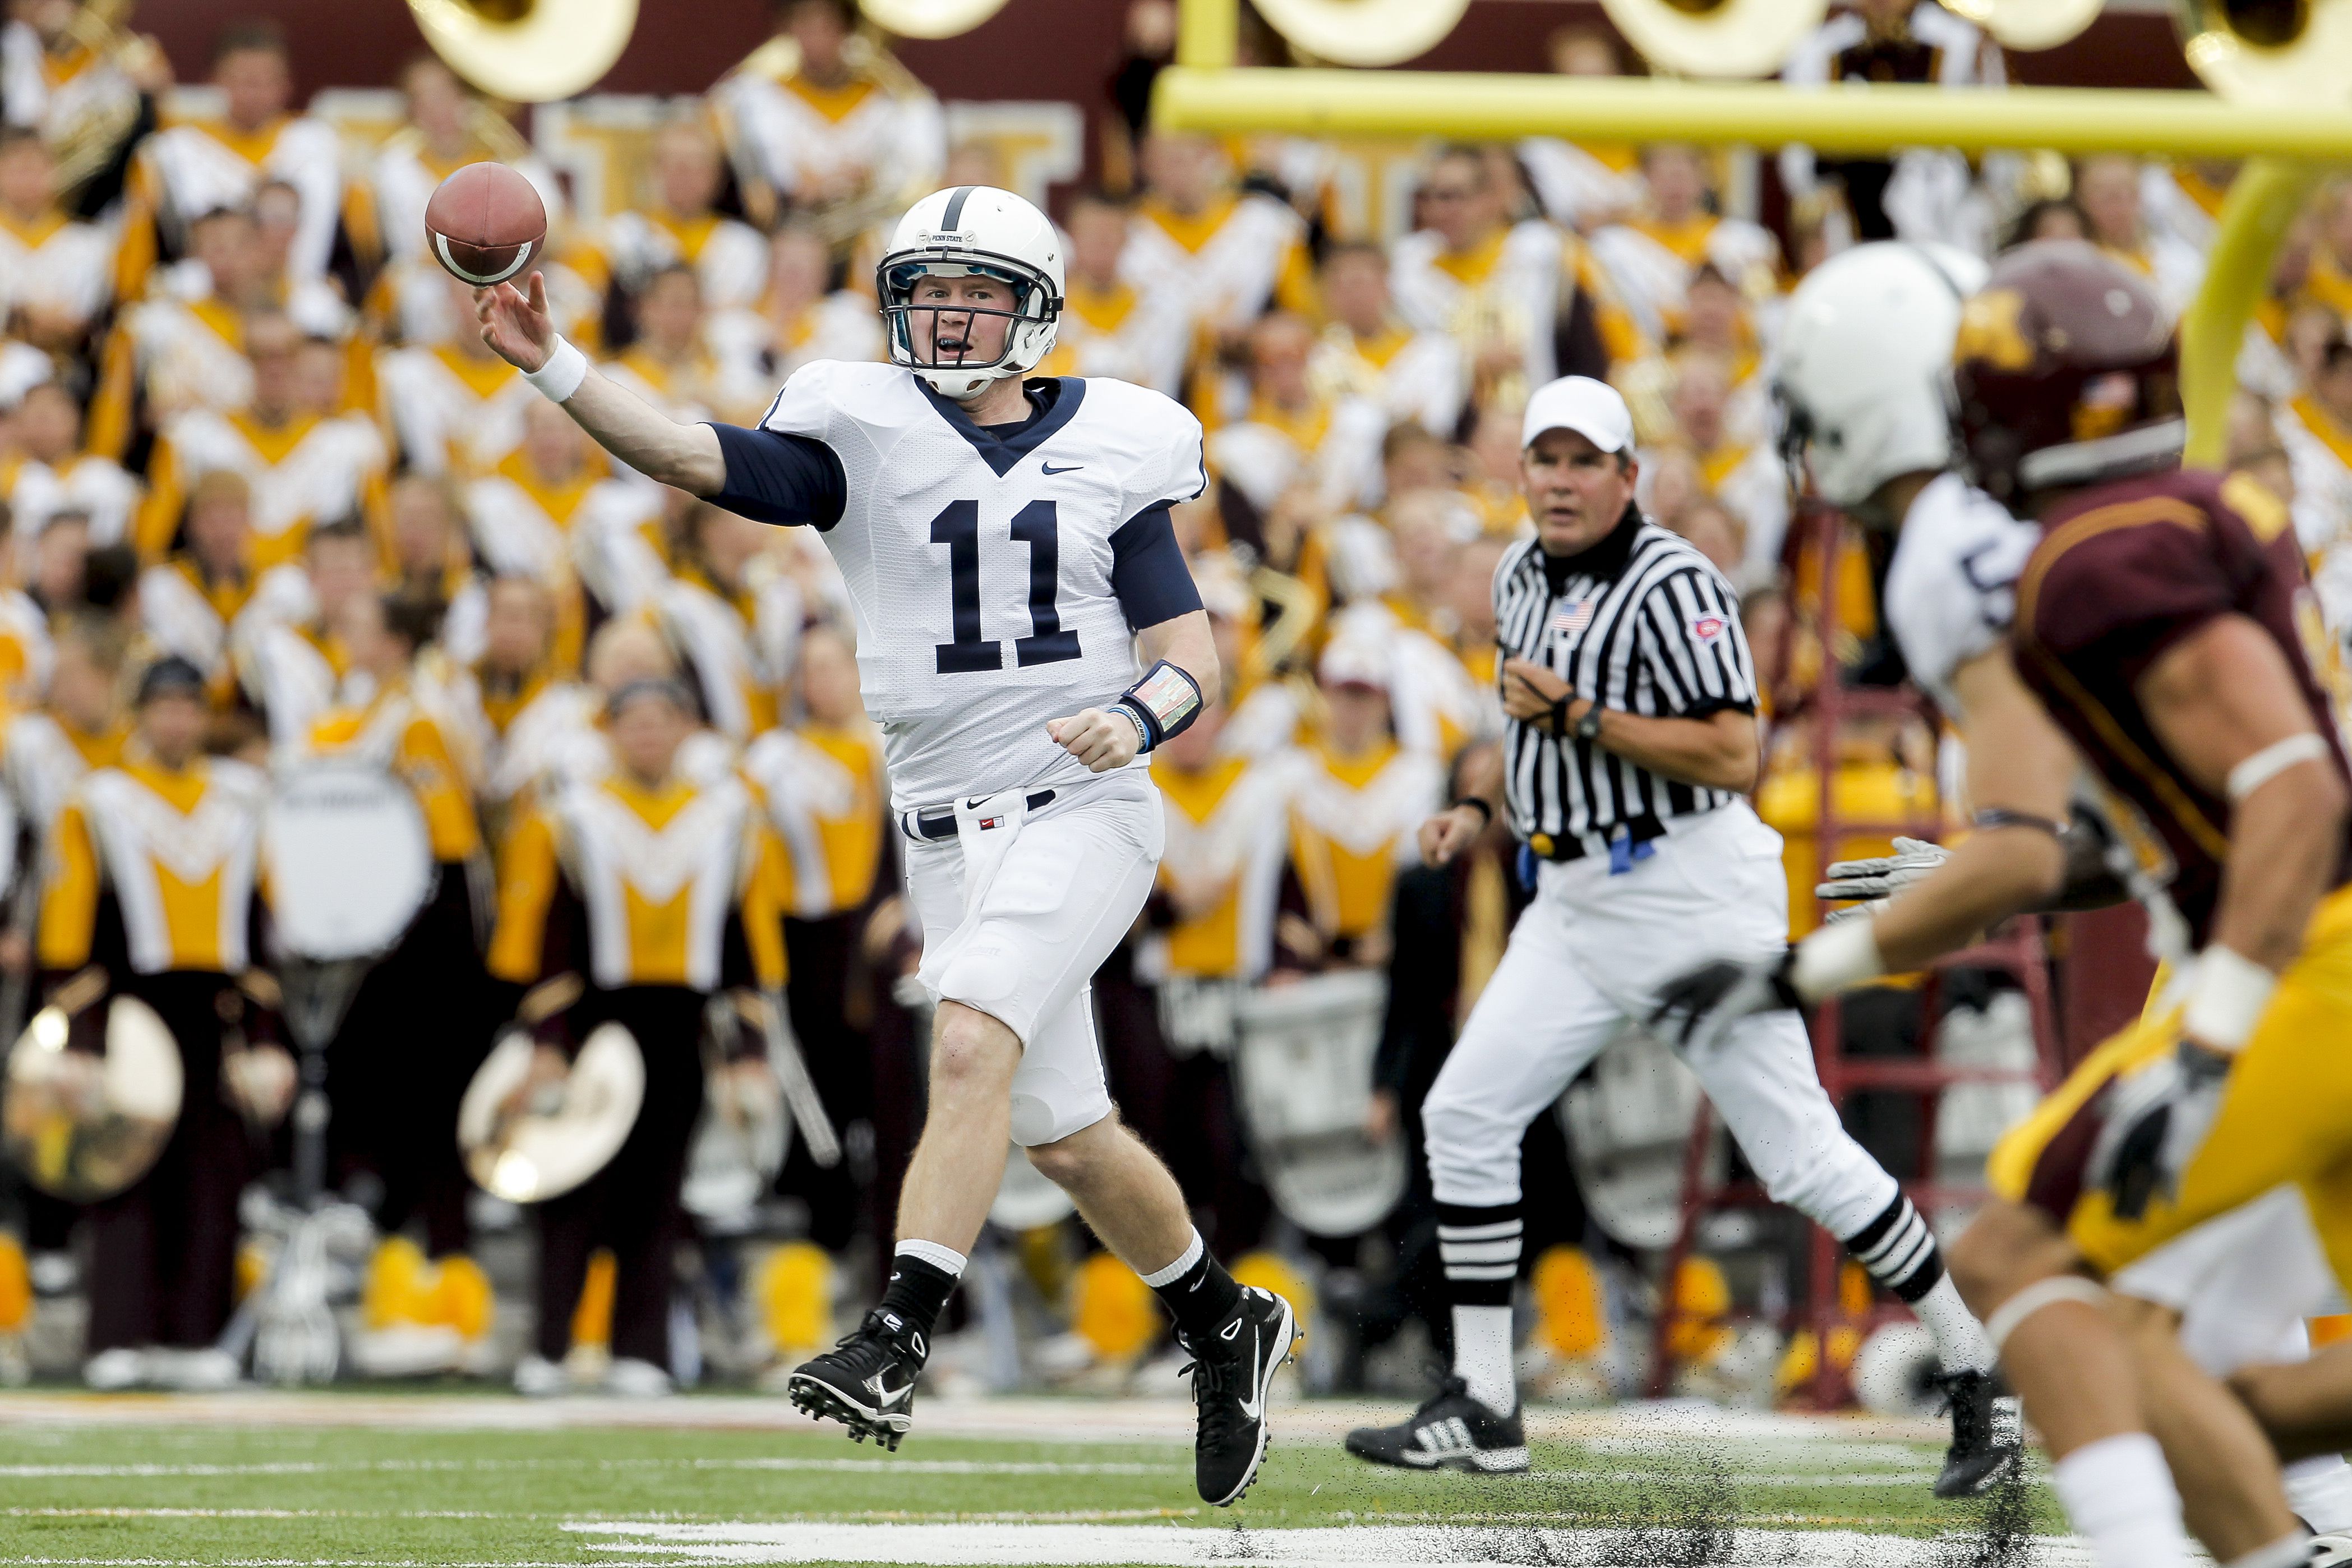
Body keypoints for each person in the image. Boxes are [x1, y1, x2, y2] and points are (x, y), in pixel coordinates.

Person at [471, 181, 1290, 1507]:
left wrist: (1138, 717)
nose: (947, 317)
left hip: (1086, 808)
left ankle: (899, 1331)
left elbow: (1188, 650)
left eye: (975, 294)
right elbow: (691, 454)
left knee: (965, 1038)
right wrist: (555, 366)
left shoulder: (1122, 441)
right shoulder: (861, 424)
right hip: (947, 835)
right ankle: (1220, 1317)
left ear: (1036, 308)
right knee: (1068, 1133)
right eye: (929, 289)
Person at [1660, 241, 2352, 1568]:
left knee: (2020, 1255)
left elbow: (2293, 796)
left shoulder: (2092, 560)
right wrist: (1945, 897)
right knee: (2185, 1366)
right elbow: (2147, 823)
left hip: (2300, 956)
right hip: (2287, 937)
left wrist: (2208, 1038)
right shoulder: (2189, 514)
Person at [1341, 376, 2014, 1497]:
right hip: (1572, 896)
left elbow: (1733, 753)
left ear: (1625, 476)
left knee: (1801, 1152)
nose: (1558, 480)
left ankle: (1975, 1364)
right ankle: (1486, 1402)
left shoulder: (1674, 582)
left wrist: (1585, 718)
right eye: (1543, 460)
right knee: (1464, 1112)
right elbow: (1536, 737)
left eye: (1581, 461)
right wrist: (1484, 805)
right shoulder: (1517, 571)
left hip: (1687, 885)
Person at [487, 677, 786, 1396]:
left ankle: (641, 1348)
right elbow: (551, 943)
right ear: (611, 732)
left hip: (681, 1028)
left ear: (686, 730)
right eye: (634, 723)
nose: (648, 736)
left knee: (660, 1190)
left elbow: (747, 950)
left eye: (662, 722)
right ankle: (551, 1346)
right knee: (570, 1183)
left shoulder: (727, 819)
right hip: (596, 1028)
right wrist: (549, 1042)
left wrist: (748, 1056)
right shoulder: (574, 818)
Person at [38, 656, 282, 1390]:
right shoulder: (101, 800)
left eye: (189, 708)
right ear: (139, 713)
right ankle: (119, 1332)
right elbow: (71, 923)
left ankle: (195, 1333)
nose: (177, 722)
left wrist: (266, 1038)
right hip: (131, 1007)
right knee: (126, 1166)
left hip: (214, 1010)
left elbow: (262, 925)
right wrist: (78, 1036)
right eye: (163, 707)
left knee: (214, 1173)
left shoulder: (240, 800)